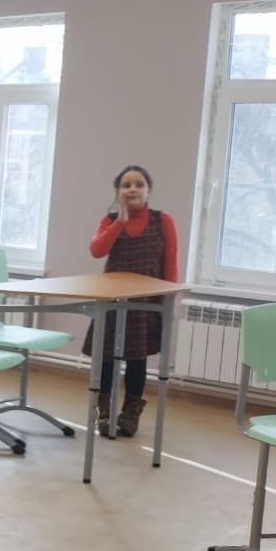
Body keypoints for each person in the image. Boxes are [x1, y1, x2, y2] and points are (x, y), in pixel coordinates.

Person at [82, 165, 178, 439]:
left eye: (139, 184)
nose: (132, 189)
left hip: (146, 302)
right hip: (112, 300)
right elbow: (97, 250)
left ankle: (130, 414)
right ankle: (104, 411)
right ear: (118, 192)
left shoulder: (163, 221)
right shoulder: (109, 220)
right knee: (106, 357)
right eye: (126, 185)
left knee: (137, 359)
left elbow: (170, 265)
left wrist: (168, 302)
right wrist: (120, 222)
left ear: (148, 191)